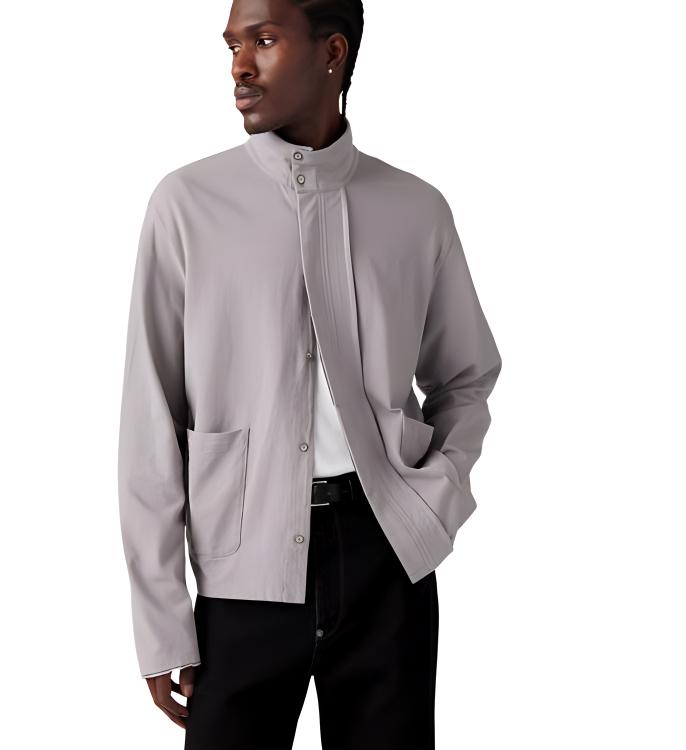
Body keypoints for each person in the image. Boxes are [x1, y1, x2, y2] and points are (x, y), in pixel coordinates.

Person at [117, 0, 502, 747]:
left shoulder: (416, 210)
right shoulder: (186, 205)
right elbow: (149, 417)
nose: (239, 66)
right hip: (243, 567)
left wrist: (438, 497)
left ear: (332, 53)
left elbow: (466, 375)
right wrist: (161, 620)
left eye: (264, 40)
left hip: (389, 559)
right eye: (232, 45)